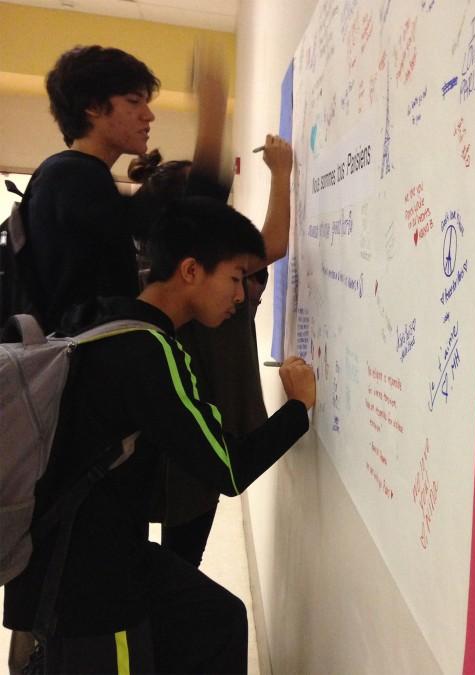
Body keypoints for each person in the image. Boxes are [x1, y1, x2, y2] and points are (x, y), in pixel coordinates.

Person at [2, 196, 316, 674]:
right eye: (235, 278)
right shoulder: (150, 350)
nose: (241, 296)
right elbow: (227, 468)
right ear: (191, 270)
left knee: (218, 619)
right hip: (93, 586)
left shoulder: (104, 318)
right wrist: (297, 408)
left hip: (75, 557)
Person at [126, 52, 293, 568]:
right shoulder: (183, 296)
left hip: (172, 463)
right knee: (168, 569)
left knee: (156, 568)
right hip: (192, 460)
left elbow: (267, 246)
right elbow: (271, 243)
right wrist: (277, 170)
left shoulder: (149, 287)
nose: (240, 291)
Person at [22, 45, 161, 333]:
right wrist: (212, 125)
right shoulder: (73, 175)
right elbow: (152, 220)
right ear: (93, 107)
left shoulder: (70, 174)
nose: (148, 116)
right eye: (134, 101)